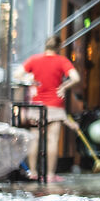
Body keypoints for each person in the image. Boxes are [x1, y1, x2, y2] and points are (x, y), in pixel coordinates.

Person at [18, 36, 83, 170]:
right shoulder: (62, 61)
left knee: (34, 139)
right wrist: (64, 86)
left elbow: (17, 74)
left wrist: (31, 82)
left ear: (45, 46)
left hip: (37, 105)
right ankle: (50, 175)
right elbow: (76, 78)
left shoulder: (34, 59)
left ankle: (33, 173)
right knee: (52, 140)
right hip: (55, 104)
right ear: (58, 47)